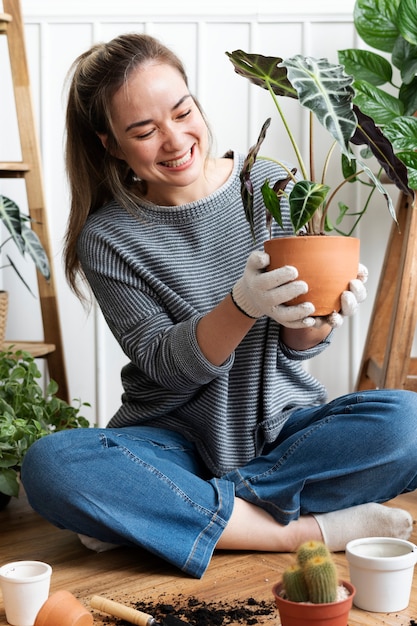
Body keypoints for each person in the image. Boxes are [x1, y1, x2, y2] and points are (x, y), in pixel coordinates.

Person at [21, 33, 417, 579]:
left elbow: (295, 346)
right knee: (51, 466)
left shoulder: (268, 185)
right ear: (110, 144)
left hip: (283, 433)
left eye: (183, 112)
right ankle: (301, 531)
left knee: (408, 422)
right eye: (143, 131)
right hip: (172, 439)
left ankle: (168, 512)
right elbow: (162, 363)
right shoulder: (108, 237)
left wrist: (318, 320)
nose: (175, 139)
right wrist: (242, 303)